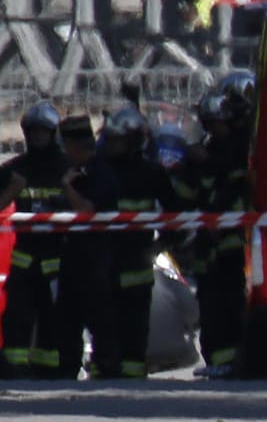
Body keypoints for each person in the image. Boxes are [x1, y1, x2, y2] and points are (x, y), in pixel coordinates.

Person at [96, 105, 181, 379]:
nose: (111, 146)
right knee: (103, 328)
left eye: (117, 140)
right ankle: (102, 371)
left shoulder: (151, 173)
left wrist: (159, 247)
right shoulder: (98, 170)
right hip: (103, 264)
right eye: (109, 140)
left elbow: (176, 216)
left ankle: (131, 378)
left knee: (134, 331)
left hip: (136, 265)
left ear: (133, 141)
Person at [180, 72, 255, 378]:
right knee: (211, 304)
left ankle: (234, 359)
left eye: (216, 123)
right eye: (208, 124)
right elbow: (189, 193)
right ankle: (217, 360)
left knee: (231, 301)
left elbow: (241, 192)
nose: (211, 129)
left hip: (233, 242)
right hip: (210, 243)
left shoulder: (241, 149)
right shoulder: (213, 150)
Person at [0, 103, 69, 377]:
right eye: (34, 132)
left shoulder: (67, 169)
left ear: (53, 133)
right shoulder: (13, 170)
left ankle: (50, 372)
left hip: (58, 260)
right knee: (17, 319)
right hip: (24, 260)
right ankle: (14, 369)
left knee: (54, 321)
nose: (38, 137)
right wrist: (13, 189)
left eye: (44, 132)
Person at [53, 113, 117, 379]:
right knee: (68, 320)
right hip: (73, 259)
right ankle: (67, 369)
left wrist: (67, 187)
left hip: (95, 260)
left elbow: (88, 209)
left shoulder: (99, 171)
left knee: (100, 320)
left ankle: (106, 369)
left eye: (66, 147)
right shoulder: (77, 169)